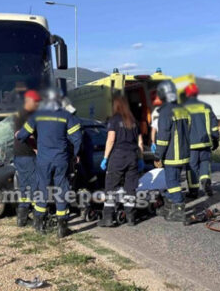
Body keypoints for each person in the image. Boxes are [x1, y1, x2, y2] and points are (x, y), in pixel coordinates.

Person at [17, 88, 82, 238]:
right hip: (61, 159)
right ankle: (62, 228)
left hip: (43, 160)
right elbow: (77, 138)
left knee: (42, 189)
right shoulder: (66, 116)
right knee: (62, 189)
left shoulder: (37, 116)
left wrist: (26, 140)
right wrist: (76, 154)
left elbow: (22, 135)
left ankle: (39, 225)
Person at [98, 95, 144, 227]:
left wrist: (105, 158)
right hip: (132, 157)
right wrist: (140, 159)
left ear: (116, 105)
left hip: (118, 157)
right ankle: (130, 217)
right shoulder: (133, 121)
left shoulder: (114, 120)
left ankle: (108, 217)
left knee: (111, 187)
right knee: (130, 187)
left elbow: (111, 140)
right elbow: (140, 142)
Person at [154, 81, 191, 222]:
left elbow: (163, 137)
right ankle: (170, 206)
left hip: (172, 154)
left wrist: (158, 155)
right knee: (174, 180)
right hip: (183, 153)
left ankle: (179, 208)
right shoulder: (182, 109)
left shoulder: (165, 112)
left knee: (172, 182)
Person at [184, 83, 220, 198]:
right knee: (205, 162)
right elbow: (214, 125)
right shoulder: (206, 106)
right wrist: (215, 138)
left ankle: (194, 191)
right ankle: (205, 180)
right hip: (205, 142)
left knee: (192, 167)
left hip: (191, 144)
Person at [13, 90, 41, 227]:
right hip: (27, 155)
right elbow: (23, 135)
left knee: (24, 186)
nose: (37, 105)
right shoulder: (26, 116)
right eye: (36, 102)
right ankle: (38, 217)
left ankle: (22, 218)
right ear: (29, 101)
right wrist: (35, 148)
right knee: (35, 185)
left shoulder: (19, 114)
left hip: (19, 155)